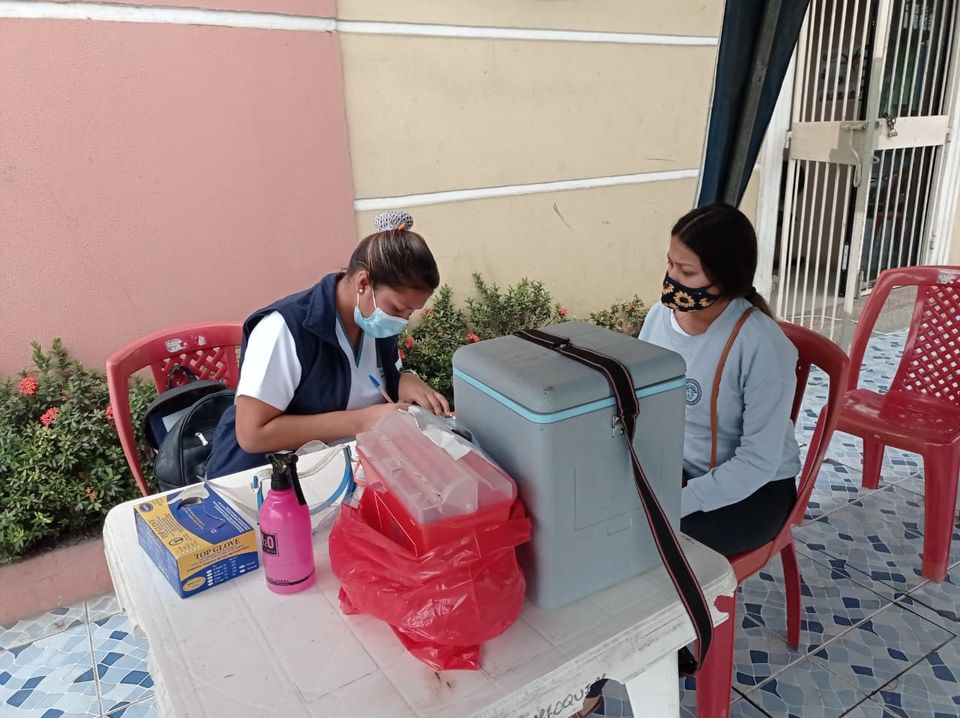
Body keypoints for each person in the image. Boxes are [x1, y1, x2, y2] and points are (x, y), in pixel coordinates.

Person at [205, 210, 449, 479]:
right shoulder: (284, 329)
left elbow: (375, 383)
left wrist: (404, 379)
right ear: (364, 283)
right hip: (261, 480)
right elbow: (252, 434)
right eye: (399, 308)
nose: (403, 320)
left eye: (411, 311)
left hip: (338, 470)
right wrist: (364, 420)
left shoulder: (375, 322)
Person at [639, 202, 802, 557]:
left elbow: (758, 462)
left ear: (725, 280)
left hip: (755, 491)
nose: (672, 279)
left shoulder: (761, 345)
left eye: (686, 271)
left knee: (650, 546)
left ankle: (701, 597)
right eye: (670, 264)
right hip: (682, 469)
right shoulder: (658, 318)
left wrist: (680, 502)